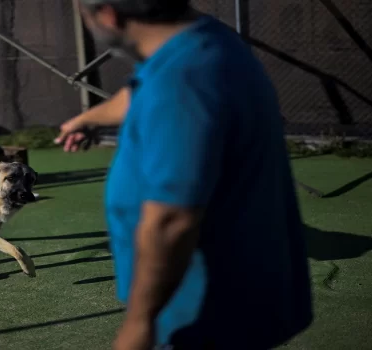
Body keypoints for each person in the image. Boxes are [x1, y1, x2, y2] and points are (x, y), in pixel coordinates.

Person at [55, 1, 313, 349]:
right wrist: (88, 118)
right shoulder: (204, 40)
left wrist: (138, 325)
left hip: (203, 315)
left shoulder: (182, 81)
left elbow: (172, 220)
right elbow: (141, 91)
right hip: (230, 298)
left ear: (108, 16)